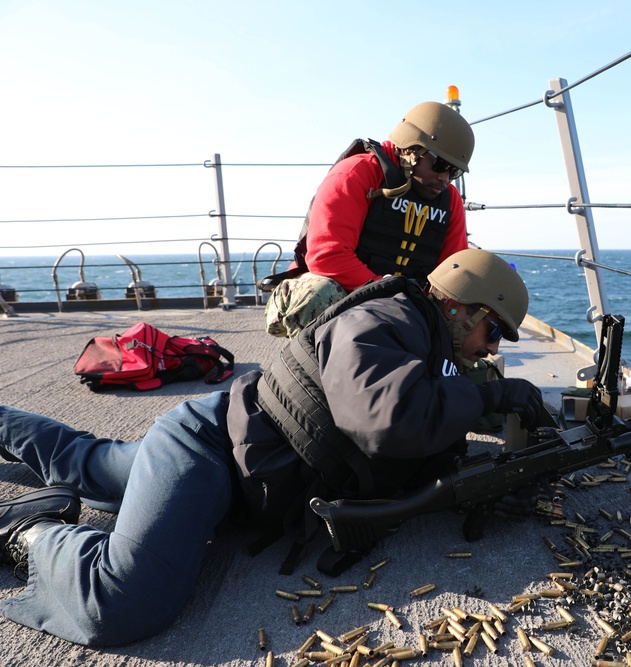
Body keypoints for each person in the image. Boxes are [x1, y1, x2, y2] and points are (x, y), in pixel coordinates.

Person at [0, 248, 544, 647]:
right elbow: (385, 419)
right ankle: (27, 531)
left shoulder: (432, 349)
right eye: (492, 334)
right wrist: (492, 393)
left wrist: (494, 480)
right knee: (123, 603)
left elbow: (424, 440)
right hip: (210, 452)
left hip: (248, 472)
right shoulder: (384, 319)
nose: (487, 352)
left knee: (87, 465)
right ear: (462, 308)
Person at [265, 101, 475, 337]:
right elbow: (328, 257)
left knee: (466, 316)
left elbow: (453, 272)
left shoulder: (450, 200)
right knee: (320, 292)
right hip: (343, 291)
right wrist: (395, 299)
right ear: (409, 149)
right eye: (440, 164)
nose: (445, 178)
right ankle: (310, 366)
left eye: (454, 171)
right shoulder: (356, 173)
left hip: (405, 300)